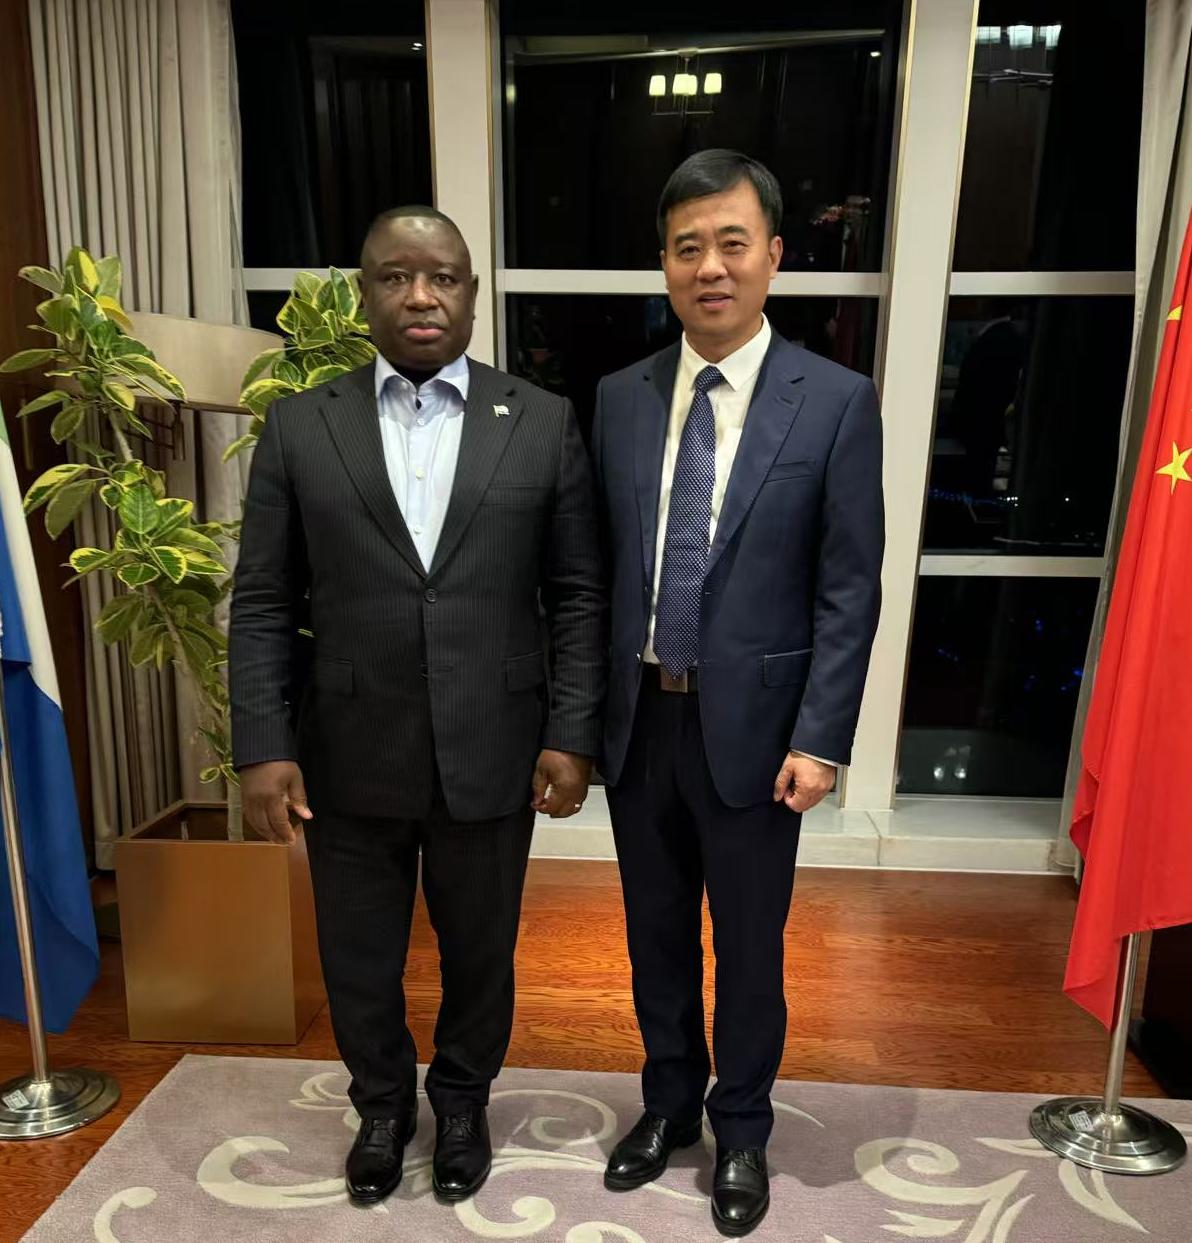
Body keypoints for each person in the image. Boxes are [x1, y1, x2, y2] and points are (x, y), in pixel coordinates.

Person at [228, 205, 605, 1207]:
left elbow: (576, 592)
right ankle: (383, 1107)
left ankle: (465, 1103)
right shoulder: (302, 423)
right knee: (358, 955)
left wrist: (572, 732)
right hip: (348, 744)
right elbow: (263, 596)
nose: (421, 295)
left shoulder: (541, 420)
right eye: (396, 277)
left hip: (494, 740)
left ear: (473, 293)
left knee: (481, 950)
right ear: (366, 296)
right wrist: (261, 743)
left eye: (442, 276)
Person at [591, 150, 884, 1237]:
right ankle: (668, 1102)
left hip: (760, 736)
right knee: (654, 935)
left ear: (773, 255)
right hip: (640, 719)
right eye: (686, 248)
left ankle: (744, 1127)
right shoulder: (618, 399)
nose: (708, 267)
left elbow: (849, 587)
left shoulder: (835, 401)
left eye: (730, 243)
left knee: (749, 948)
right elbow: (596, 572)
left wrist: (822, 737)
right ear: (664, 264)